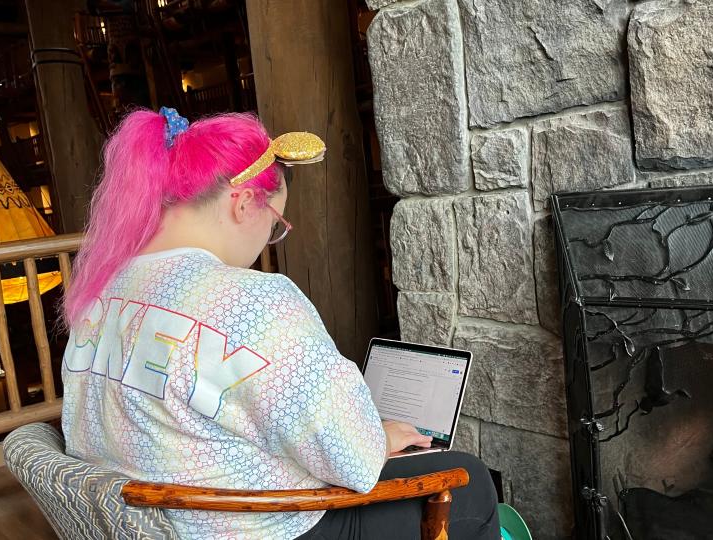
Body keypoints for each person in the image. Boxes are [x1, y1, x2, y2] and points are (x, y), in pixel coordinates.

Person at [60, 108, 500, 539]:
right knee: (470, 479)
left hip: (142, 523)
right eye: (277, 224)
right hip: (250, 525)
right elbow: (353, 460)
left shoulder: (100, 292)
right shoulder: (251, 299)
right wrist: (378, 438)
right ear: (245, 203)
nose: (269, 239)